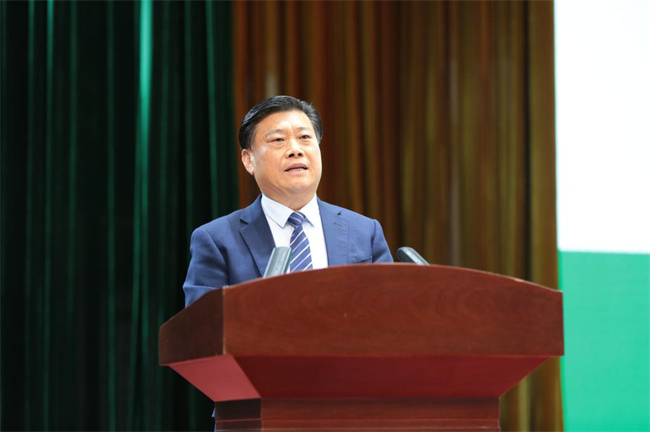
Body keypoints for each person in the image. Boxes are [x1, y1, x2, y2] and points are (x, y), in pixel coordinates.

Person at [183, 95, 393, 307]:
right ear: (248, 160)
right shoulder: (217, 241)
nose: (295, 150)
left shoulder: (365, 232)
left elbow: (390, 312)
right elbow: (205, 324)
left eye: (305, 137)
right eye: (278, 140)